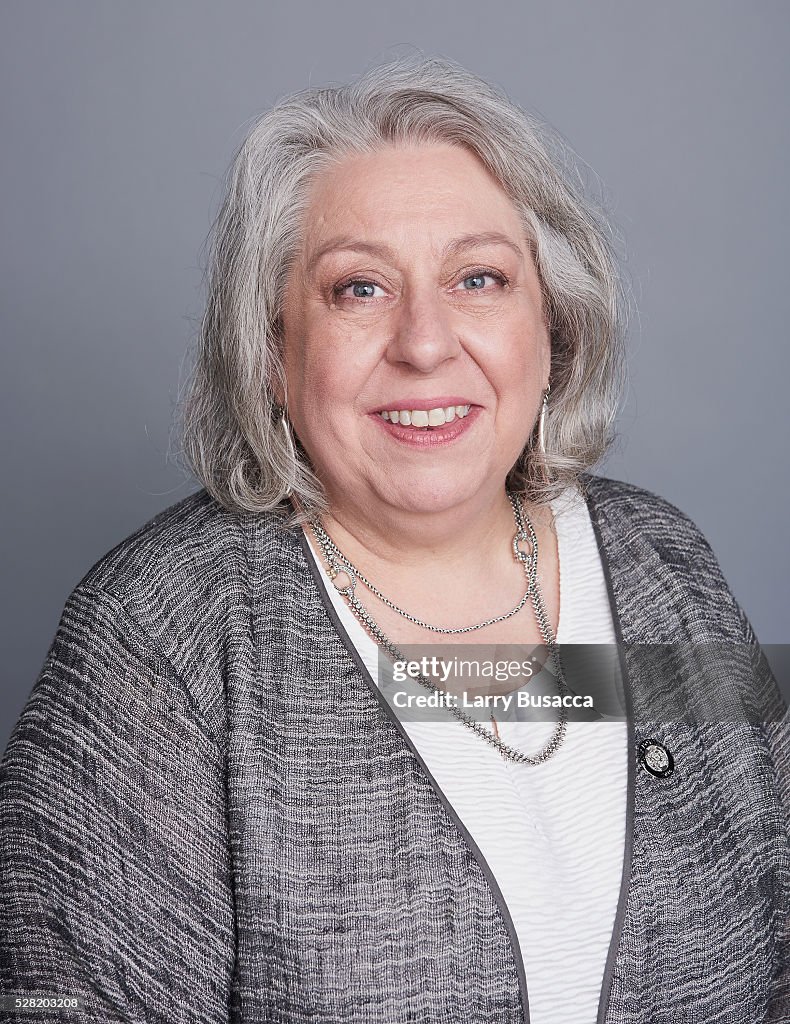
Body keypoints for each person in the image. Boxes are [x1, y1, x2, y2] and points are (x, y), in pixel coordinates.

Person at [0, 54, 787, 1024]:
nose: (424, 341)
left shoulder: (661, 564)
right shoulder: (163, 640)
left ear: (552, 332)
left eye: (479, 278)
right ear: (274, 351)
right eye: (358, 289)